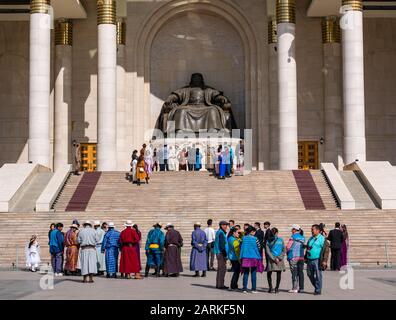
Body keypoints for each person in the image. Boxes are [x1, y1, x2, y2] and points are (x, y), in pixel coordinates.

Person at [240, 226, 263, 293]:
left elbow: (241, 246)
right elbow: (259, 247)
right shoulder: (255, 238)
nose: (255, 233)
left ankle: (244, 288)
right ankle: (253, 289)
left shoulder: (243, 238)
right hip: (254, 257)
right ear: (251, 232)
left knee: (246, 273)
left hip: (245, 257)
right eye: (254, 231)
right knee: (253, 273)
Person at [306, 224, 326, 295]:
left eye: (312, 229)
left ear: (317, 230)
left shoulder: (322, 238)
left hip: (317, 259)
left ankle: (318, 290)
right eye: (311, 229)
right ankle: (317, 286)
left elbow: (326, 250)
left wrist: (324, 260)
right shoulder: (311, 238)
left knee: (318, 275)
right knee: (309, 274)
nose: (311, 231)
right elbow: (308, 246)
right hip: (309, 259)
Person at [286, 224, 305, 293]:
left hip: (293, 257)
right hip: (301, 257)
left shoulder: (293, 236)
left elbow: (288, 247)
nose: (291, 230)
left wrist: (287, 253)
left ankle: (294, 288)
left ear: (294, 230)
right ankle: (301, 288)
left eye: (292, 229)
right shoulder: (303, 237)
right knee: (300, 273)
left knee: (294, 273)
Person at [266, 227, 286, 293]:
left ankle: (270, 287)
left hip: (271, 259)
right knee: (278, 273)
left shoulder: (268, 240)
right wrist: (279, 257)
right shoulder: (281, 240)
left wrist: (273, 258)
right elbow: (284, 250)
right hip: (279, 259)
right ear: (277, 233)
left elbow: (267, 251)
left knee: (269, 273)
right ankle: (276, 288)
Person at [214, 220, 229, 289]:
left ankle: (219, 284)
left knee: (220, 269)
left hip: (219, 252)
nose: (226, 227)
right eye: (225, 225)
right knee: (222, 269)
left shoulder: (219, 232)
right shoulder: (221, 233)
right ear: (221, 225)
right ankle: (220, 285)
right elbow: (222, 245)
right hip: (221, 253)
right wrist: (225, 255)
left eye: (226, 225)